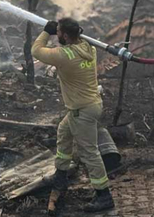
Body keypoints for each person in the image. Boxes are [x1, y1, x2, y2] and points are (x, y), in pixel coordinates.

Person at [32, 18, 115, 213]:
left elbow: (36, 51)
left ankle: (104, 196)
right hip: (89, 105)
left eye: (59, 32)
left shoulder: (64, 55)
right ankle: (61, 177)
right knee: (63, 132)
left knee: (90, 153)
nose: (57, 34)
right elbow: (74, 45)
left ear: (66, 36)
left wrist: (46, 32)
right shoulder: (88, 48)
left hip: (82, 111)